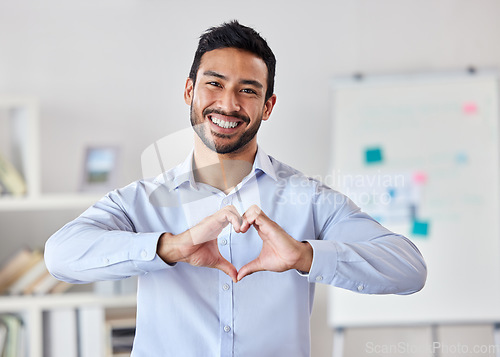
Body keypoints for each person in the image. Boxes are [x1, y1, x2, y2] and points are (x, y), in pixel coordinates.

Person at [45, 20, 427, 357]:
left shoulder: (309, 199)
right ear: (189, 91)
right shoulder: (141, 200)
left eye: (248, 90)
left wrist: (305, 256)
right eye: (214, 84)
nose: (228, 105)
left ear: (268, 105)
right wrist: (169, 247)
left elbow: (409, 268)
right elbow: (61, 255)